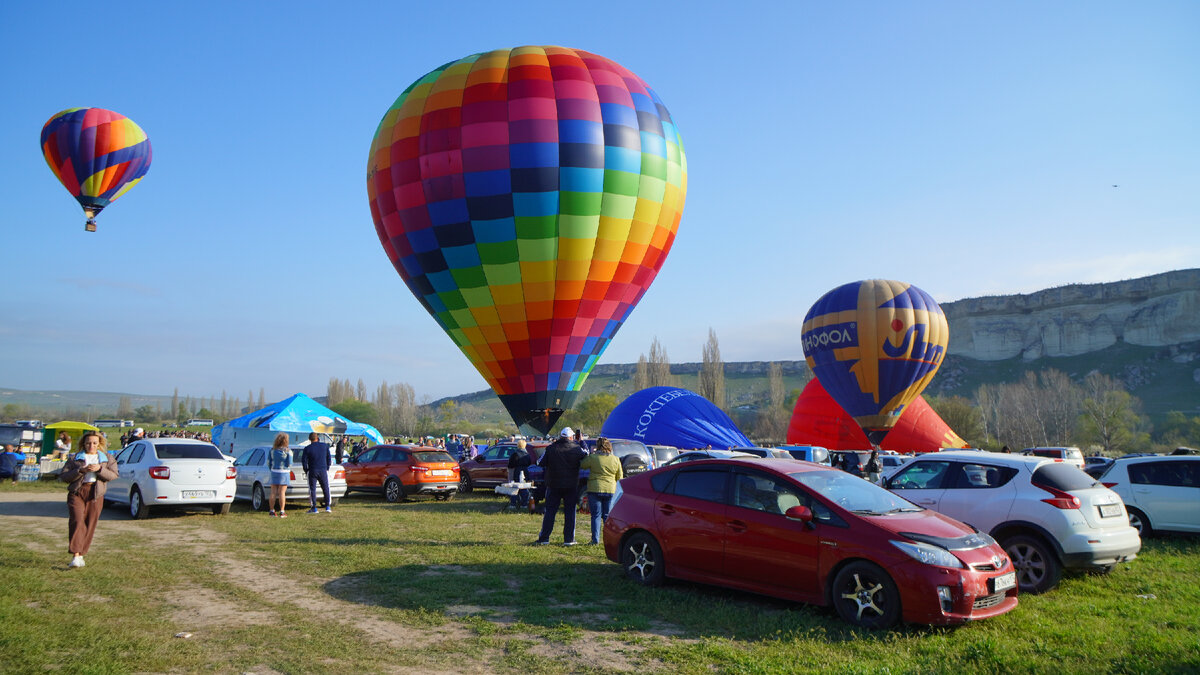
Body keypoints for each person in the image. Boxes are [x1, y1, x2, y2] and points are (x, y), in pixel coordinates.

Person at [58, 431, 118, 568]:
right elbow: (64, 476)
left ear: (99, 444)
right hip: (77, 492)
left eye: (94, 443)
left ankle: (81, 554)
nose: (91, 445)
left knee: (90, 523)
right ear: (83, 444)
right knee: (77, 521)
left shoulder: (107, 458)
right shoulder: (74, 458)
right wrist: (80, 471)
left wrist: (99, 469)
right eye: (88, 443)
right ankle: (75, 555)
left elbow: (113, 475)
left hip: (96, 494)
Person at [534, 427, 588, 546]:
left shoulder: (551, 448)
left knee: (550, 512)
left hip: (554, 484)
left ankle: (544, 538)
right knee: (570, 513)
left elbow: (540, 462)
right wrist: (582, 441)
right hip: (571, 485)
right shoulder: (577, 448)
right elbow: (586, 454)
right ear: (570, 437)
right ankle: (568, 539)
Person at [580, 437, 624, 545]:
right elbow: (620, 476)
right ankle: (609, 540)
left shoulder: (593, 457)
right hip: (610, 490)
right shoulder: (616, 459)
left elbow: (583, 465)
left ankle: (595, 540)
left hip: (594, 489)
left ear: (598, 446)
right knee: (607, 516)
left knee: (595, 515)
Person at [302, 432, 332, 513]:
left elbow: (304, 462)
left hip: (312, 470)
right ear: (317, 438)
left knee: (312, 489)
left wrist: (306, 470)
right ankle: (328, 506)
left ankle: (314, 507)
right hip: (323, 469)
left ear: (309, 439)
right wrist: (327, 467)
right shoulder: (325, 446)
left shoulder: (307, 448)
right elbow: (329, 458)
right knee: (325, 488)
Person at [267, 433, 292, 517]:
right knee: (282, 492)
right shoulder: (288, 451)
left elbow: (268, 462)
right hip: (284, 472)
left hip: (274, 471)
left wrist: (271, 468)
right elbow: (289, 463)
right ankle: (282, 511)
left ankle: (271, 510)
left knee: (273, 492)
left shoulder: (272, 450)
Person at [506, 439, 532, 508]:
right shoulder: (527, 454)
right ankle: (524, 504)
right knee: (524, 488)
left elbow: (511, 464)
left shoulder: (515, 454)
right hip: (525, 471)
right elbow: (529, 462)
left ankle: (513, 504)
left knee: (515, 487)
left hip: (517, 471)